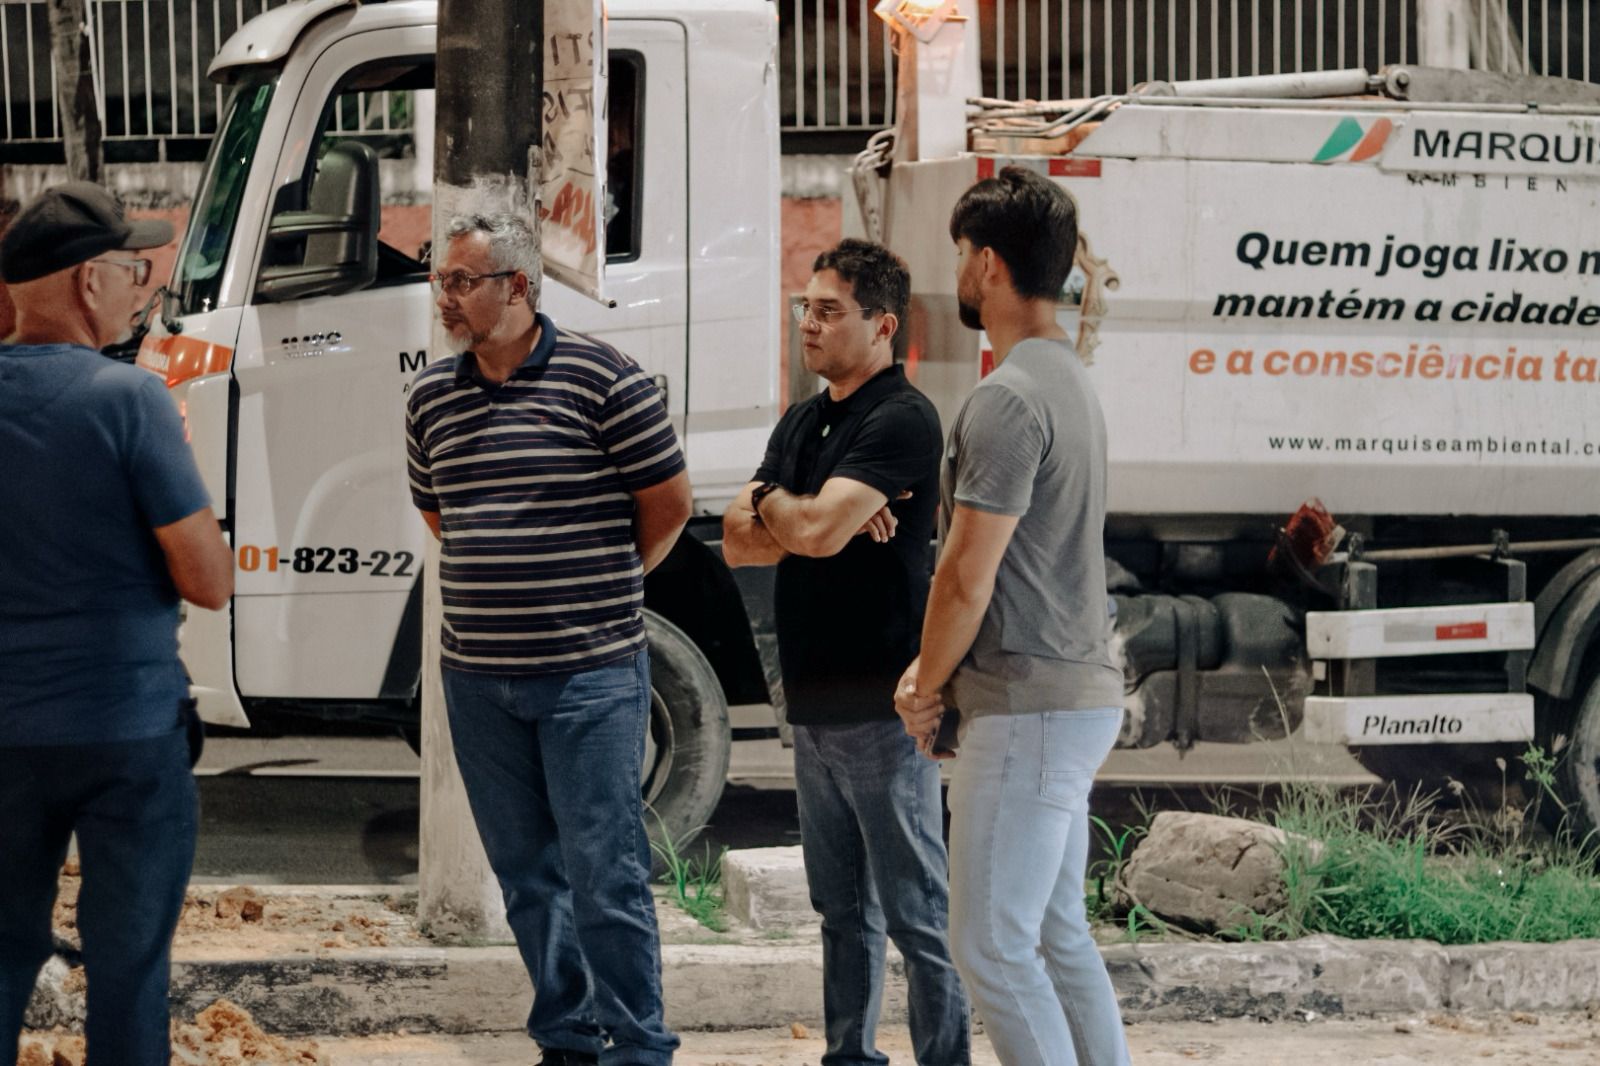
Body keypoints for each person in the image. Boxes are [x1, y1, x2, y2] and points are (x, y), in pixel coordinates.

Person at [405, 213, 691, 1066]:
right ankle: (567, 1037)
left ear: (519, 288)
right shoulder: (430, 398)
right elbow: (439, 517)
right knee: (528, 879)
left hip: (590, 676)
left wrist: (595, 593)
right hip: (479, 678)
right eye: (441, 281)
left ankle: (639, 1045)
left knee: (607, 876)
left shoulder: (606, 380)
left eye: (463, 282)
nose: (446, 298)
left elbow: (668, 505)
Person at [894, 167, 1129, 1066]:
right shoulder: (1066, 379)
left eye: (959, 254)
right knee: (1055, 931)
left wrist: (925, 682)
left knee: (991, 945)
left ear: (988, 264)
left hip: (1028, 703)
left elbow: (965, 577)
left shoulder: (1007, 398)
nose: (955, 272)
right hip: (1071, 697)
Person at [0, 182, 234, 1065]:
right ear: (86, 282)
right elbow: (208, 582)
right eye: (134, 269)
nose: (144, 288)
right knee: (129, 970)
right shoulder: (129, 401)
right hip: (124, 734)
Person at [723, 238, 969, 1066]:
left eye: (829, 310)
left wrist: (784, 511)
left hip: (882, 707)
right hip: (815, 705)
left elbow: (810, 532)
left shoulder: (903, 418)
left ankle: (946, 1058)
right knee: (840, 912)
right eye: (806, 307)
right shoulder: (804, 419)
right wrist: (789, 509)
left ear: (883, 325)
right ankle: (848, 1057)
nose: (809, 323)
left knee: (915, 914)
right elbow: (737, 542)